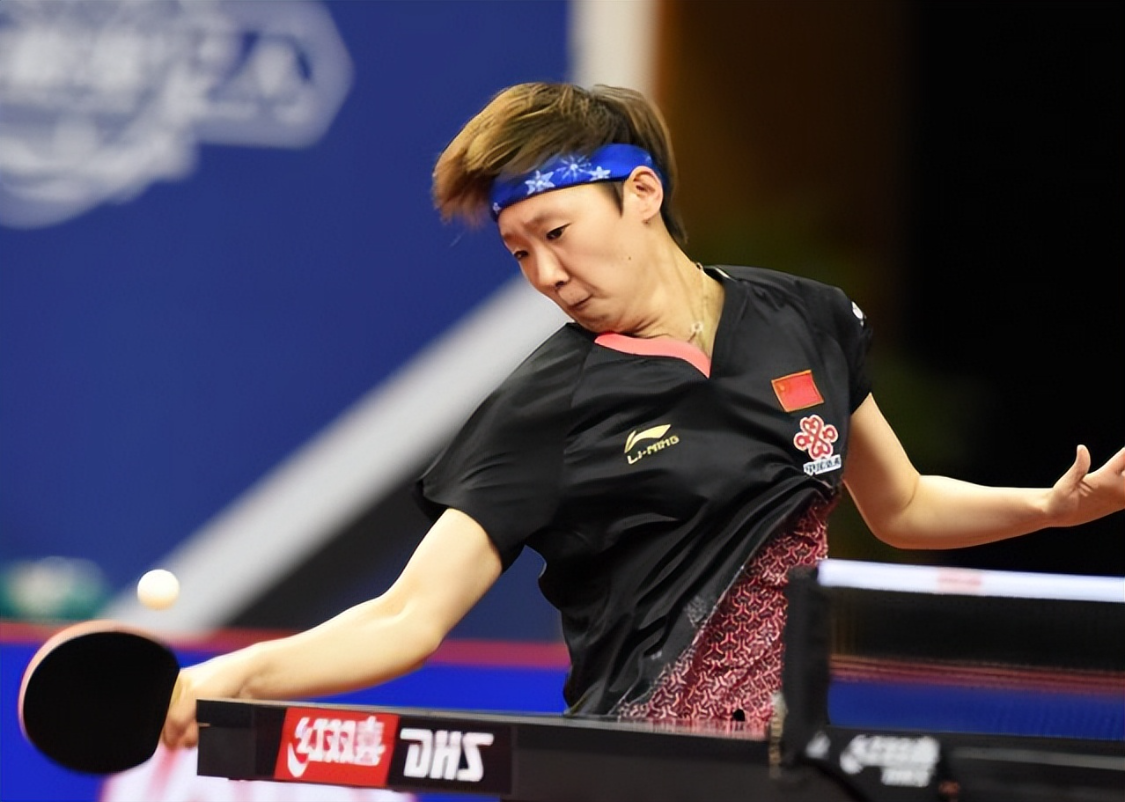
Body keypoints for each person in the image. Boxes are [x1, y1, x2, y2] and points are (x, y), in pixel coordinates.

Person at [161, 82, 1125, 748]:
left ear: (642, 194)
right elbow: (408, 615)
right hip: (636, 764)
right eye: (518, 252)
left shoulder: (809, 320)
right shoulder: (545, 403)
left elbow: (901, 505)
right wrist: (228, 678)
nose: (545, 275)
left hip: (792, 756)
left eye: (556, 233)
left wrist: (1048, 509)